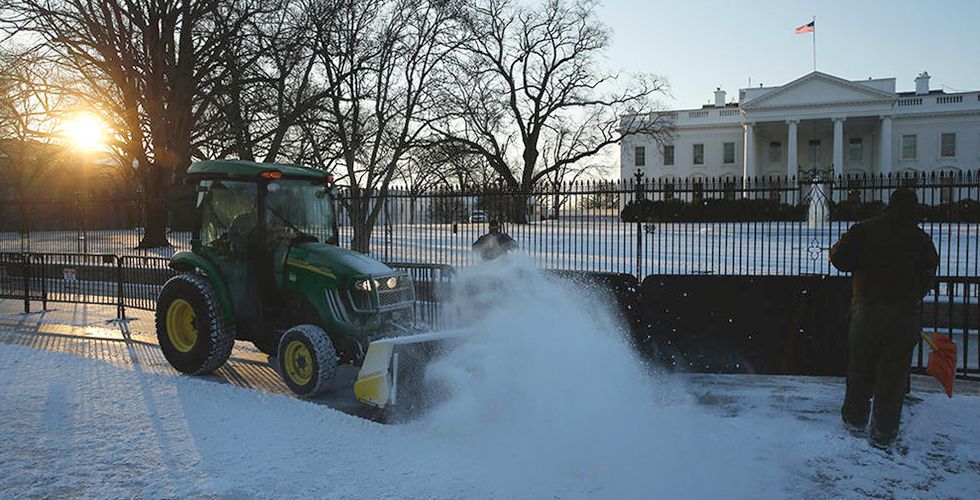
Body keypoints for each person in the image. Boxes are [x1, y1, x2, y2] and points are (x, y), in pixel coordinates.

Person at [830, 188, 939, 448]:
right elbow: (929, 270)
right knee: (893, 375)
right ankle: (884, 431)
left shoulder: (865, 230)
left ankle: (854, 420)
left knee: (860, 367)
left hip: (867, 309)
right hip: (903, 314)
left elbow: (839, 259)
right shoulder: (920, 239)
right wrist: (913, 294)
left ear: (889, 205)